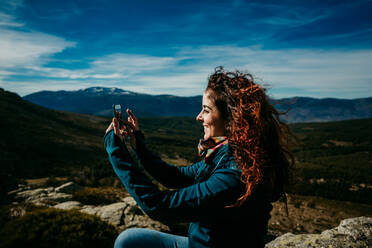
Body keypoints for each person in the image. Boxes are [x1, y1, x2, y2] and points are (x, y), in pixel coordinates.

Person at [104, 67, 294, 248]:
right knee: (129, 240)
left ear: (232, 121)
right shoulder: (228, 153)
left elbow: (159, 206)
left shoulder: (236, 173)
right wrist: (138, 146)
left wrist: (115, 150)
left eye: (206, 110)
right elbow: (176, 176)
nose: (198, 117)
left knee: (129, 242)